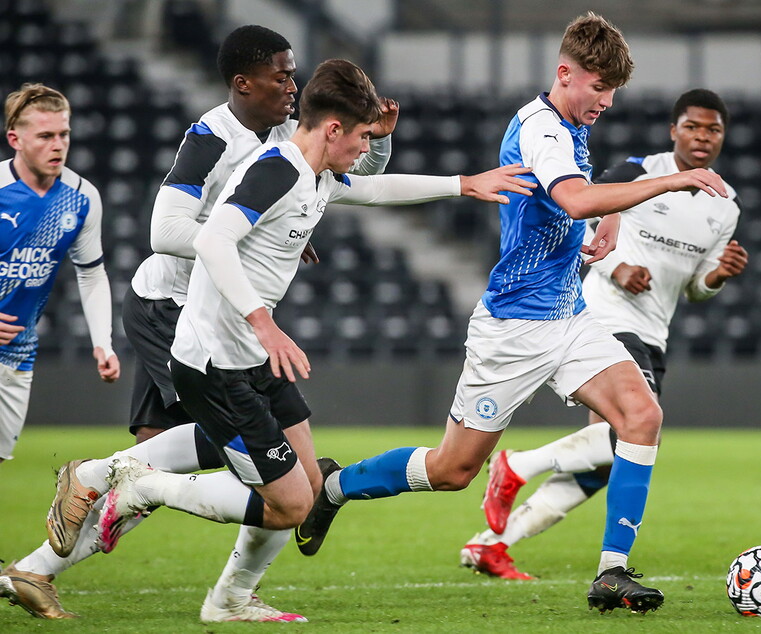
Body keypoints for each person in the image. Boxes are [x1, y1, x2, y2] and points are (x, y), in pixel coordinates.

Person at [265, 13, 728, 616]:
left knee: (641, 416)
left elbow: (572, 204)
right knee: (454, 468)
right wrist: (667, 185)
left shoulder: (571, 123)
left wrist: (600, 222)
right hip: (513, 327)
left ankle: (612, 572)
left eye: (613, 92)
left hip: (568, 312)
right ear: (566, 74)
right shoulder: (543, 130)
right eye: (599, 88)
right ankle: (335, 486)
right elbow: (572, 195)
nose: (608, 102)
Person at [93, 57, 537, 623]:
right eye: (360, 138)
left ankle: (228, 599)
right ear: (332, 129)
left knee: (304, 485)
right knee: (292, 504)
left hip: (249, 358)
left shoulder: (314, 173)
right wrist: (262, 319)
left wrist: (464, 184)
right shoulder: (276, 169)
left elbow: (376, 190)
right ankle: (143, 487)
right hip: (215, 361)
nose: (362, 151)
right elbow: (212, 242)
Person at [0, 25, 397, 621]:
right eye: (281, 74)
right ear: (244, 82)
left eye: (293, 73)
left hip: (217, 314)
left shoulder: (290, 134)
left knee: (244, 464)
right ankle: (67, 548)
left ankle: (59, 561)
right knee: (195, 466)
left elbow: (345, 179)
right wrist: (240, 232)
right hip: (174, 311)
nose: (293, 83)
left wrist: (374, 152)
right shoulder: (209, 137)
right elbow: (165, 233)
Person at [460, 88, 749, 580]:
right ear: (673, 131)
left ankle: (494, 543)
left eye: (713, 129)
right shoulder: (639, 171)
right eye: (693, 127)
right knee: (632, 433)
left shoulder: (725, 206)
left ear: (723, 137)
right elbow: (589, 205)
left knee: (610, 459)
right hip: (606, 318)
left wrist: (716, 278)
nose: (702, 137)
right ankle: (518, 465)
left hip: (653, 332)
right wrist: (615, 267)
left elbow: (694, 289)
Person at [0, 82, 120, 468]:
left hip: (17, 352)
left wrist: (102, 341)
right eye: (46, 136)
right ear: (15, 139)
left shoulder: (82, 197)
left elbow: (91, 275)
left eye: (64, 134)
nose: (58, 145)